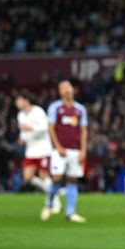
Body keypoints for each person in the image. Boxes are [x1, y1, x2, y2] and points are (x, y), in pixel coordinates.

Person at [42, 81, 88, 223]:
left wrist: (83, 150)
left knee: (72, 180)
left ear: (73, 90)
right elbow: (50, 128)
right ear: (60, 92)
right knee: (57, 177)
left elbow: (83, 130)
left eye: (68, 87)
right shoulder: (55, 108)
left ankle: (70, 212)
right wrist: (57, 146)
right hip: (59, 150)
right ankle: (49, 203)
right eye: (63, 88)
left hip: (75, 150)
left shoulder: (80, 109)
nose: (67, 90)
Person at [15, 91, 62, 213]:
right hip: (30, 151)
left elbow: (46, 128)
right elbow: (24, 132)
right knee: (27, 177)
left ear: (26, 100)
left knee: (43, 176)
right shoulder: (20, 115)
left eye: (19, 100)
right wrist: (22, 138)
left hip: (43, 150)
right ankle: (53, 193)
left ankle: (55, 201)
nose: (17, 103)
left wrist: (31, 128)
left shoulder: (38, 112)